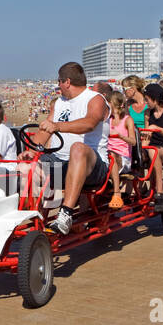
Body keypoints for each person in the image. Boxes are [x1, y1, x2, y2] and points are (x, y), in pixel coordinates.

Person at [31, 62, 109, 234]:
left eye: (59, 81)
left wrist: (58, 126)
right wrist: (30, 151)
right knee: (25, 166)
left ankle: (66, 214)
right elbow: (46, 130)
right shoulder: (59, 103)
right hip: (61, 164)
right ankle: (31, 215)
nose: (58, 85)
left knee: (78, 148)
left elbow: (89, 123)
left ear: (66, 81)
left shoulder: (95, 99)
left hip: (94, 167)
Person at [105, 93, 135, 208]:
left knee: (111, 155)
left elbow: (133, 141)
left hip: (123, 158)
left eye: (109, 103)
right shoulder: (108, 120)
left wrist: (120, 136)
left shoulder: (127, 120)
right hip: (108, 156)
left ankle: (117, 192)